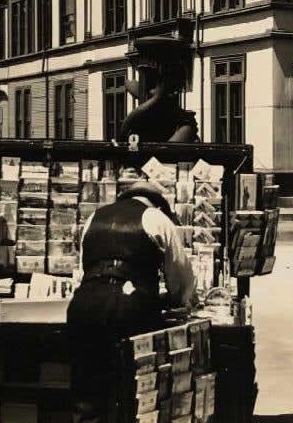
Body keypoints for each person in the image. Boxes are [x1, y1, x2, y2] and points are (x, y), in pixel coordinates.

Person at [66, 180, 196, 423]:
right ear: (157, 203)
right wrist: (176, 299)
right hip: (130, 307)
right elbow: (180, 278)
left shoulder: (95, 217)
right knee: (132, 393)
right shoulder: (156, 218)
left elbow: (85, 267)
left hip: (85, 304)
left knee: (88, 395)